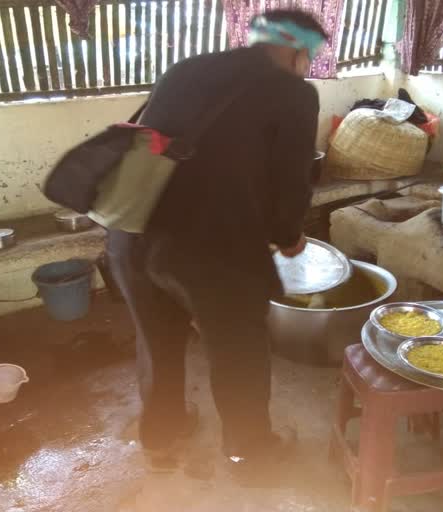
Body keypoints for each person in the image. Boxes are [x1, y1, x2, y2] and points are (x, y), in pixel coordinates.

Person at [106, 9, 328, 471]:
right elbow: (291, 182)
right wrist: (289, 238)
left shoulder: (186, 69)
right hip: (212, 248)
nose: (309, 65)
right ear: (295, 50)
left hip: (132, 231)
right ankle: (250, 451)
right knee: (238, 349)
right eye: (310, 55)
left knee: (157, 340)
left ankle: (162, 436)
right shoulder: (295, 94)